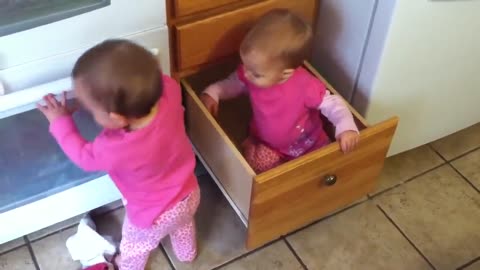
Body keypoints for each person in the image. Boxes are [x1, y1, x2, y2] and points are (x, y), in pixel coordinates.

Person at [37, 40, 200, 270]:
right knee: (183, 224)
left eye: (92, 109)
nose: (89, 111)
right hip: (189, 194)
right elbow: (147, 80)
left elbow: (84, 157)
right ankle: (187, 254)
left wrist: (61, 122)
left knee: (134, 248)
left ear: (116, 118)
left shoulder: (114, 147)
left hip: (152, 215)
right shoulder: (170, 92)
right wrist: (102, 98)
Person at [201, 9, 360, 173]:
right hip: (268, 144)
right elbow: (233, 84)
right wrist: (214, 92)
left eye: (256, 73)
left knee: (323, 169)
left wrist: (345, 126)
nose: (246, 74)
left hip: (308, 144)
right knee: (260, 171)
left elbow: (333, 104)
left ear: (285, 73)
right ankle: (260, 154)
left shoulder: (304, 85)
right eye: (245, 65)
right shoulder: (252, 72)